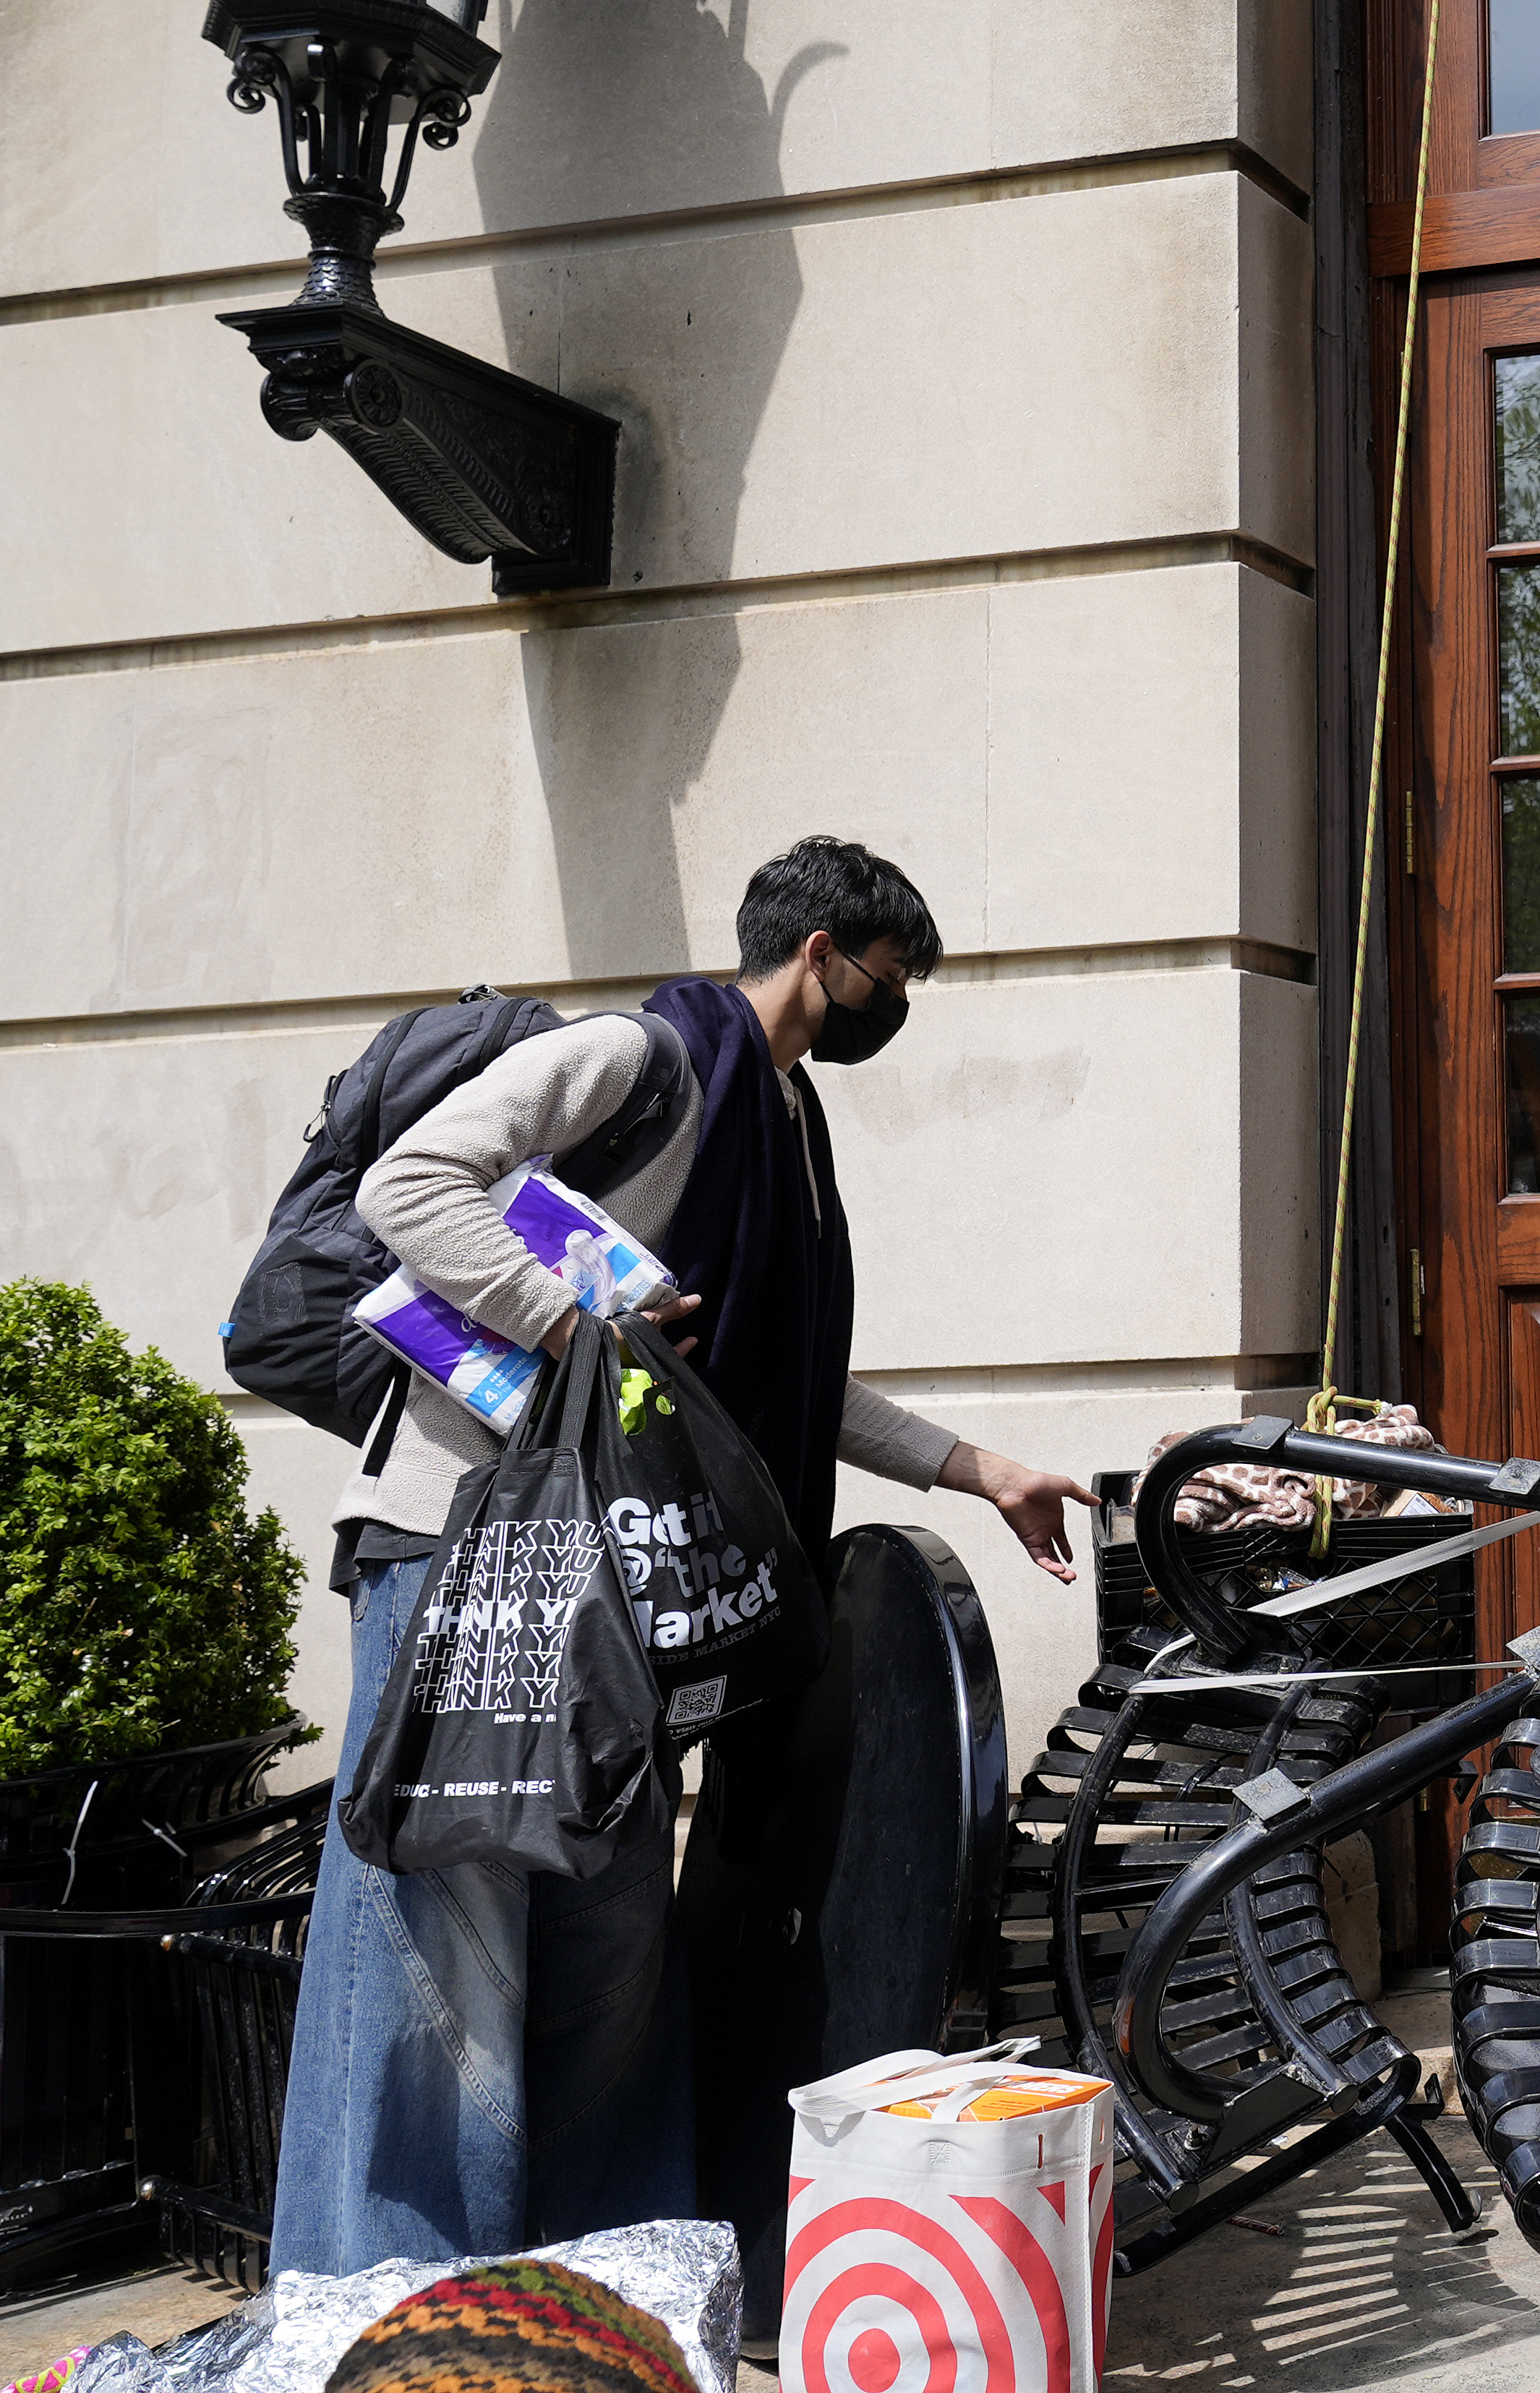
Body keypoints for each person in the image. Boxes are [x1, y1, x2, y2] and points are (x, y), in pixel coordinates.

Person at [273, 838, 1098, 2277]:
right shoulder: (641, 1055)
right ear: (825, 951)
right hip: (466, 1549)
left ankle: (613, 2288)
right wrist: (577, 1323)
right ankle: (385, 2307)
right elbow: (415, 1185)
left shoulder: (781, 1122)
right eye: (887, 983)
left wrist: (984, 1471)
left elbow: (776, 1377)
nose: (886, 1012)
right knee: (439, 1948)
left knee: (612, 1954)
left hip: (622, 1575)